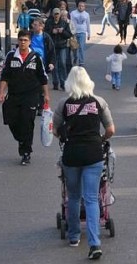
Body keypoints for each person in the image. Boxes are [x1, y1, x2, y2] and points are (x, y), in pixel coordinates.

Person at [52, 66, 115, 260]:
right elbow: (111, 129)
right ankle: (95, 243)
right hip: (94, 154)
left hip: (72, 155)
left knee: (73, 197)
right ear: (88, 82)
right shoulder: (99, 102)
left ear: (69, 83)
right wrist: (101, 139)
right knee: (91, 198)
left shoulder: (64, 104)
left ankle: (73, 237)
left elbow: (54, 130)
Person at [0, 30, 50, 165]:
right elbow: (5, 76)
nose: (22, 42)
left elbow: (43, 78)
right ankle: (21, 139)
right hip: (14, 95)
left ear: (30, 42)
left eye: (25, 40)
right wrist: (1, 92)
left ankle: (26, 152)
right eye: (20, 40)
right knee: (12, 121)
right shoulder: (11, 56)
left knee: (27, 122)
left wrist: (46, 95)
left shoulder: (36, 57)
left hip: (31, 96)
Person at [70, 1, 91, 66]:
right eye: (79, 6)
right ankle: (75, 58)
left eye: (82, 6)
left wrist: (89, 33)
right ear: (77, 6)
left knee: (81, 47)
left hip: (82, 33)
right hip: (75, 33)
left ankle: (81, 61)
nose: (81, 7)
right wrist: (71, 32)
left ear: (84, 7)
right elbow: (71, 23)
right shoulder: (73, 13)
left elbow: (88, 24)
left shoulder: (86, 14)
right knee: (74, 48)